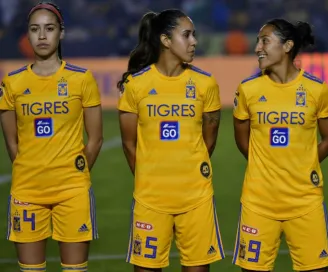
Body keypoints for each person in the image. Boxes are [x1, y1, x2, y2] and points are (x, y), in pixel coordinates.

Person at [117, 9, 224, 272]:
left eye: (194, 35)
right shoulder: (136, 85)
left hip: (196, 198)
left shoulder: (205, 83)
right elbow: (129, 144)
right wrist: (148, 178)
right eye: (186, 35)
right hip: (150, 200)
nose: (194, 42)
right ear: (165, 40)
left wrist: (188, 170)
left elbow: (208, 140)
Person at [0, 2, 103, 272]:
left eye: (49, 28)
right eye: (35, 29)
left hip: (72, 191)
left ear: (61, 33)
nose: (42, 36)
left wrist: (76, 174)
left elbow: (95, 139)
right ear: (28, 35)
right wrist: (29, 170)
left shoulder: (81, 79)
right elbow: (11, 141)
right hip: (26, 191)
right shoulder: (12, 83)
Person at [232, 18, 328, 272]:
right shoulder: (248, 90)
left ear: (288, 46)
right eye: (258, 41)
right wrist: (266, 164)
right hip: (258, 202)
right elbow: (242, 140)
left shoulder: (317, 89)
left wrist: (304, 164)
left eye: (265, 41)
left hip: (305, 202)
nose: (257, 47)